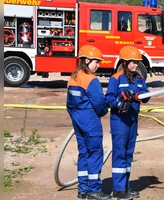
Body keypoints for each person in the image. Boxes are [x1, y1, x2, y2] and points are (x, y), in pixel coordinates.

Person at [66, 45, 111, 200]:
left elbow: (69, 104)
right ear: (86, 60)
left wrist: (75, 117)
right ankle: (93, 190)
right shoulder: (91, 80)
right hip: (90, 120)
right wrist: (105, 110)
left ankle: (83, 190)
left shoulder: (72, 77)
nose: (98, 65)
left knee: (84, 153)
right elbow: (99, 104)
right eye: (96, 62)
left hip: (77, 118)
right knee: (95, 153)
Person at [105, 46, 150, 200]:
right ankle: (118, 190)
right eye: (133, 62)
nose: (136, 65)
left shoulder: (139, 78)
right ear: (125, 62)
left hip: (132, 121)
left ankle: (125, 186)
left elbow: (146, 95)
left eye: (137, 62)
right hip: (120, 122)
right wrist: (120, 103)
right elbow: (109, 98)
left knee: (129, 154)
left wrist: (140, 96)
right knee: (119, 154)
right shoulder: (116, 78)